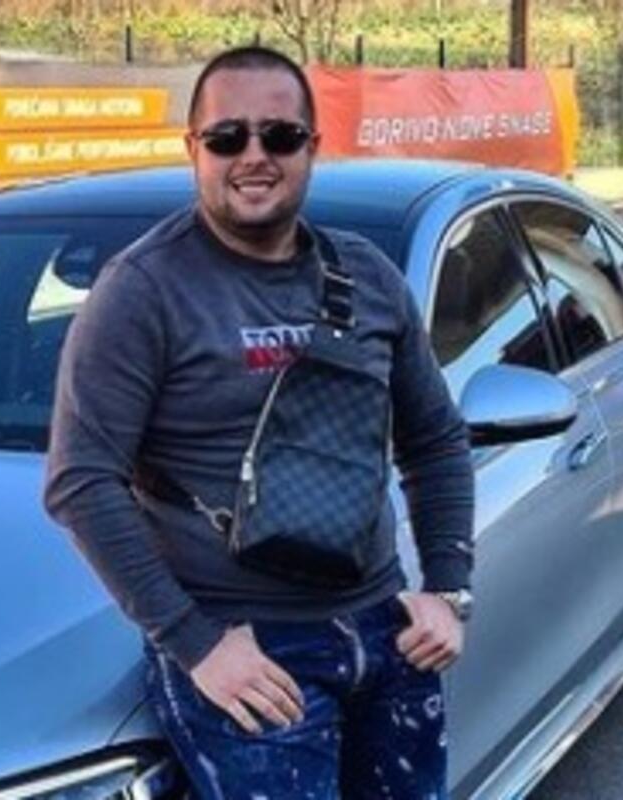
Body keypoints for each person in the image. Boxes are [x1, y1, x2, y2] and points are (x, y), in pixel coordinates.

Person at [44, 45, 475, 799]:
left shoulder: (368, 274)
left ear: (312, 147)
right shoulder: (143, 290)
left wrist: (448, 589)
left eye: (279, 136)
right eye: (227, 137)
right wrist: (196, 645)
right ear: (193, 148)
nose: (253, 156)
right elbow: (81, 481)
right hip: (250, 656)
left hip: (390, 632)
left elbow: (435, 439)